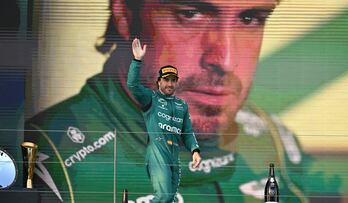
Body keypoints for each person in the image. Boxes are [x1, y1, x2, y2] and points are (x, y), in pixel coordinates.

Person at [25, 0, 325, 202]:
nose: (226, 60)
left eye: (250, 18)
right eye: (190, 13)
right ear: (126, 16)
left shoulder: (274, 141)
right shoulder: (43, 164)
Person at [128, 37, 201, 202]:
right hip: (157, 152)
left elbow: (187, 132)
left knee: (171, 200)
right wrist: (137, 60)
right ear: (158, 81)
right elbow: (132, 85)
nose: (170, 83)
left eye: (173, 80)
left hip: (174, 156)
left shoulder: (182, 105)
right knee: (164, 197)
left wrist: (195, 150)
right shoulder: (151, 98)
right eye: (166, 80)